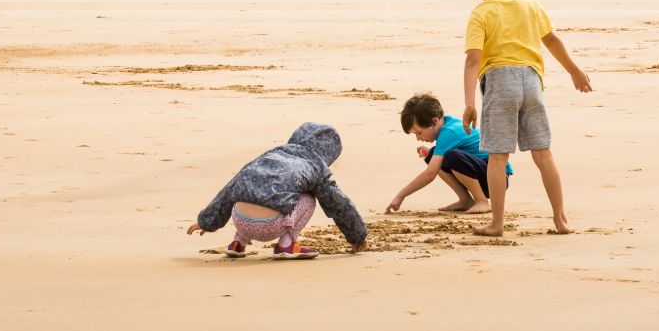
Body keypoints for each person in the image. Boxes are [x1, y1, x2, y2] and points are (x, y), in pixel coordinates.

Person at [460, 0, 592, 236]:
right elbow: (552, 40)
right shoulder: (529, 3)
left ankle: (497, 223)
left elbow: (473, 60)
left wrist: (470, 103)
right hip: (532, 81)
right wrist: (574, 70)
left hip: (499, 80)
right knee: (543, 153)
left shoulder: (481, 11)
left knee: (498, 156)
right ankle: (560, 219)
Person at [186, 122, 368, 259]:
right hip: (270, 225)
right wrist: (357, 236)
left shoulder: (269, 155)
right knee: (310, 197)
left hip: (240, 219)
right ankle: (286, 245)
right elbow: (339, 204)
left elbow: (229, 189)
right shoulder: (315, 167)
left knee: (249, 186)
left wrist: (206, 222)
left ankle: (238, 242)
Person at [385, 93, 512, 215]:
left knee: (451, 157)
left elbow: (430, 174)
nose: (418, 138)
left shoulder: (449, 132)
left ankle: (481, 201)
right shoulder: (447, 123)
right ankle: (466, 200)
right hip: (482, 173)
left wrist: (400, 196)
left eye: (419, 132)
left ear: (435, 121)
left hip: (495, 179)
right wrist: (431, 153)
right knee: (434, 155)